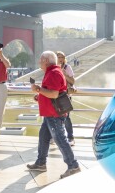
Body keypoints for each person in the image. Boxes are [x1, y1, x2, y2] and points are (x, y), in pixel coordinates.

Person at [27, 51, 81, 179]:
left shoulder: (54, 73)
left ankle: (73, 165)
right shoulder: (52, 71)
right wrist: (40, 95)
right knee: (43, 136)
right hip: (50, 113)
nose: (39, 62)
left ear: (46, 60)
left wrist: (39, 89)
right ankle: (41, 163)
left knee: (60, 139)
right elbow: (51, 92)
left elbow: (54, 94)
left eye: (40, 59)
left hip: (54, 114)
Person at [56, 51, 75, 145]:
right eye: (58, 57)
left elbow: (72, 81)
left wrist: (64, 74)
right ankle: (54, 137)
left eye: (62, 57)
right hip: (54, 95)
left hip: (65, 96)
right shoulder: (52, 68)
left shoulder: (67, 68)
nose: (60, 59)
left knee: (66, 118)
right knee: (54, 117)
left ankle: (70, 137)